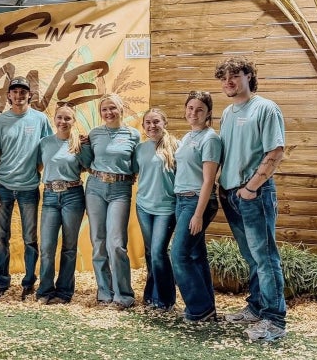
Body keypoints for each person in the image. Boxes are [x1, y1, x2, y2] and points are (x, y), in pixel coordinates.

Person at [214, 57, 287, 342]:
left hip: (253, 193)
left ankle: (274, 320)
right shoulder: (229, 112)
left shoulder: (265, 108)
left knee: (266, 257)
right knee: (251, 257)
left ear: (249, 76)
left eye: (234, 75)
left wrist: (251, 187)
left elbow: (276, 152)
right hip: (231, 193)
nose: (228, 81)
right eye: (223, 77)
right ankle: (256, 307)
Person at [0, 76, 53, 301]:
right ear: (8, 96)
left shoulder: (40, 119)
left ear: (30, 95)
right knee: (1, 237)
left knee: (29, 239)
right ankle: (2, 283)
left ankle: (28, 284)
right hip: (4, 187)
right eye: (14, 91)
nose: (18, 95)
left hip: (29, 188)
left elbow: (49, 147)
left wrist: (37, 169)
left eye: (23, 91)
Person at [82, 94, 140, 309]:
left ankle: (123, 294)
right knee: (98, 241)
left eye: (112, 108)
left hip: (120, 190)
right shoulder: (94, 134)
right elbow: (86, 162)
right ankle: (104, 291)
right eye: (104, 109)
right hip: (95, 187)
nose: (109, 112)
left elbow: (135, 166)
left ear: (121, 109)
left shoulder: (133, 135)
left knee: (116, 243)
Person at [172, 90, 221, 323]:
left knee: (179, 255)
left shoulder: (210, 138)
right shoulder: (188, 137)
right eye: (190, 108)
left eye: (200, 109)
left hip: (196, 201)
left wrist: (198, 214)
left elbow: (209, 180)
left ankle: (199, 309)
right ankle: (207, 308)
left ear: (208, 113)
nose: (194, 113)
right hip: (182, 199)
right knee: (195, 255)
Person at [34, 103, 88, 305]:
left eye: (68, 118)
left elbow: (88, 166)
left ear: (74, 122)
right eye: (60, 118)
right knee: (47, 246)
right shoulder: (45, 143)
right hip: (49, 196)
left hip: (73, 195)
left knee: (69, 247)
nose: (63, 122)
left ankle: (64, 292)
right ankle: (45, 290)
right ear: (54, 119)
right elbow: (39, 165)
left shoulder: (79, 144)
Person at [133, 108, 179, 311]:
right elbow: (134, 172)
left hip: (166, 208)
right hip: (143, 206)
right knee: (151, 251)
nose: (152, 126)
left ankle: (166, 299)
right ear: (143, 126)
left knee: (159, 252)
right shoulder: (140, 149)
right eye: (148, 123)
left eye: (156, 122)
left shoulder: (176, 147)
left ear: (165, 123)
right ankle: (151, 295)